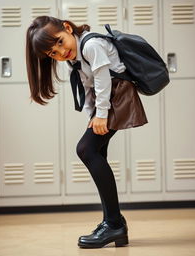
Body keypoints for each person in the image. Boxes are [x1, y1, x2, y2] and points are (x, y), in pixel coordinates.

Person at [25, 16, 148, 249]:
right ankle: (114, 224)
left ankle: (114, 224)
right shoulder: (74, 57)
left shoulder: (91, 45)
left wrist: (101, 114)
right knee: (96, 152)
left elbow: (103, 79)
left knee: (86, 149)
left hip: (118, 96)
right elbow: (88, 86)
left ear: (68, 28)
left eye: (60, 43)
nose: (61, 53)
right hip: (108, 99)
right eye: (53, 53)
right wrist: (91, 117)